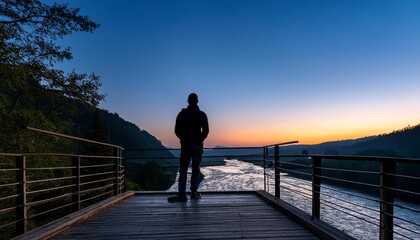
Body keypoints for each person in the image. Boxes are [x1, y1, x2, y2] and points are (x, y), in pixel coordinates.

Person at [168, 93, 209, 202]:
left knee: (183, 169)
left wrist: (184, 139)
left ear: (188, 101)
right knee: (196, 169)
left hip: (185, 146)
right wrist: (199, 139)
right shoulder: (202, 115)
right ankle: (194, 192)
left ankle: (182, 194)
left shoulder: (182, 114)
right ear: (197, 101)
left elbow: (176, 130)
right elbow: (206, 131)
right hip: (197, 146)